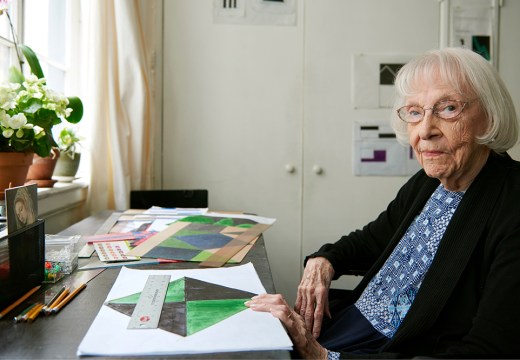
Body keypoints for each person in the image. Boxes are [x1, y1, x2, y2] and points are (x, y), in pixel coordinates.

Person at [246, 47, 520, 358]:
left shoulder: (511, 203)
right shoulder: (429, 182)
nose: (426, 130)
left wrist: (322, 356)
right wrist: (323, 262)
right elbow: (370, 241)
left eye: (447, 108)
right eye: (415, 112)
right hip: (348, 329)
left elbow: (488, 351)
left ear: (489, 116)